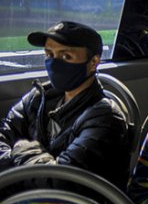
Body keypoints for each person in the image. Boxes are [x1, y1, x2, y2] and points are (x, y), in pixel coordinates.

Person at [0, 21, 130, 188]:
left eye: (66, 56)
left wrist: (21, 150)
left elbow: (60, 181)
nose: (54, 63)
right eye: (49, 55)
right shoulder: (38, 98)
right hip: (28, 194)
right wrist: (27, 162)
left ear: (93, 62)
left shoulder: (105, 118)